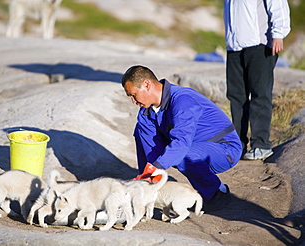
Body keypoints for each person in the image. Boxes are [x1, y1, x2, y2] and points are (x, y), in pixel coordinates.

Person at [121, 65, 242, 211]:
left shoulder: (182, 99)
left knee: (184, 154)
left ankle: (217, 193)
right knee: (140, 130)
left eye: (133, 95)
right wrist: (147, 177)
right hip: (194, 146)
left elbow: (181, 143)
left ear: (147, 84)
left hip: (224, 148)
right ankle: (149, 188)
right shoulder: (145, 112)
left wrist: (157, 167)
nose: (133, 101)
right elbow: (153, 150)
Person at [224, 0, 291, 160]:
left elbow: (278, 4)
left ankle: (261, 144)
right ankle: (238, 145)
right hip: (234, 47)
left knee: (260, 95)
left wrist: (278, 34)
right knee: (236, 96)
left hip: (260, 44)